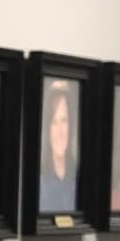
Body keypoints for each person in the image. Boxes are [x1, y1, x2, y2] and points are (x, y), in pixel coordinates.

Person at [37, 79, 80, 214]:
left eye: (64, 120)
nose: (60, 131)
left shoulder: (79, 176)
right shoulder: (39, 180)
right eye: (54, 122)